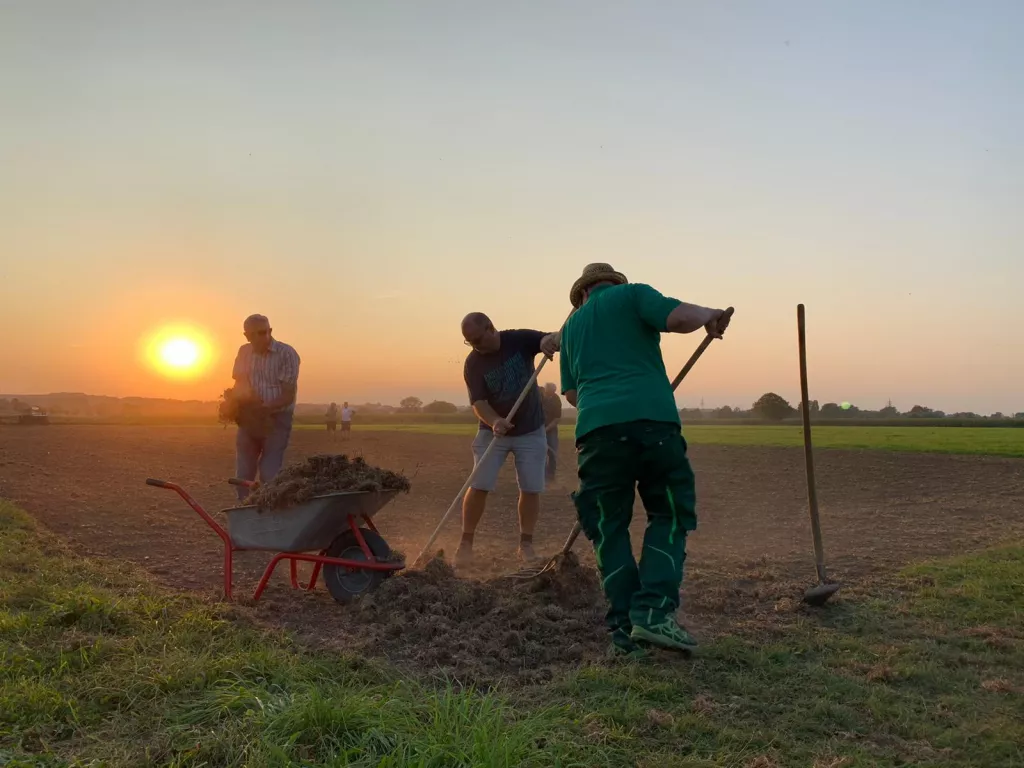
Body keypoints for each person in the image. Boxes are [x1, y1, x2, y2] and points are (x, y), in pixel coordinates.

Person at [556, 263, 731, 657]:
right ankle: (652, 613)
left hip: (596, 433)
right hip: (654, 426)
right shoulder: (632, 294)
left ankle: (622, 630)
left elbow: (572, 395)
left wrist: (607, 400)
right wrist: (710, 315)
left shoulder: (570, 329)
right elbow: (680, 318)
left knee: (609, 527)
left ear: (582, 294)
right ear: (613, 283)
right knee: (668, 513)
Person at [459, 312, 560, 565]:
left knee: (530, 488)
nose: (475, 346)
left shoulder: (518, 339)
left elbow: (550, 339)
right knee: (479, 484)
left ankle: (525, 545)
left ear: (491, 328)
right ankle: (465, 544)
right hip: (492, 432)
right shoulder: (473, 363)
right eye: (469, 342)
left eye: (477, 340)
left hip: (531, 430)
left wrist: (550, 341)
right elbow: (478, 403)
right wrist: (494, 421)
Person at [231, 314, 301, 501]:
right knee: (244, 469)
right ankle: (244, 507)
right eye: (256, 334)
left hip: (277, 419)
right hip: (249, 419)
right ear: (247, 336)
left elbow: (288, 394)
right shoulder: (244, 352)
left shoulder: (287, 353)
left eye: (265, 332)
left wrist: (263, 409)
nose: (262, 337)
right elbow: (240, 382)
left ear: (270, 331)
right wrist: (234, 403)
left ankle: (267, 506)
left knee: (269, 471)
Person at [541, 382, 563, 482]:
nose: (549, 394)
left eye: (552, 392)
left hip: (551, 430)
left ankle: (551, 475)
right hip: (538, 429)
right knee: (541, 453)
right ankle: (543, 475)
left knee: (552, 452)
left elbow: (557, 418)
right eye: (548, 392)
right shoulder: (539, 397)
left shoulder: (556, 400)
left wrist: (547, 429)